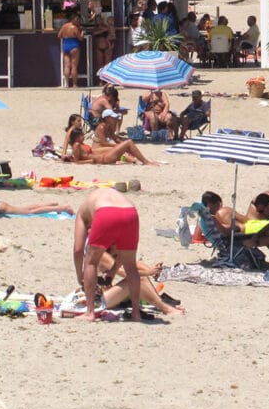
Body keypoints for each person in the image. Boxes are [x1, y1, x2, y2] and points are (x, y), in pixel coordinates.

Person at [74, 187, 143, 321]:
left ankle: (90, 313)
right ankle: (136, 313)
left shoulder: (83, 211)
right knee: (131, 266)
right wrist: (113, 271)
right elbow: (122, 253)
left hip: (105, 212)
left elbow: (78, 250)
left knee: (90, 262)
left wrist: (80, 276)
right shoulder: (111, 196)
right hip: (130, 212)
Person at [95, 247, 182, 317]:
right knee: (138, 279)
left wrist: (151, 270)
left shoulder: (113, 253)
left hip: (107, 298)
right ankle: (165, 308)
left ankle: (161, 302)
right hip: (97, 301)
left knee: (139, 278)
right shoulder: (102, 254)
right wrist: (149, 272)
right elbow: (123, 272)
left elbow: (134, 264)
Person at [67, 128, 158, 166]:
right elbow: (77, 161)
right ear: (77, 137)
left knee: (125, 146)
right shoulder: (76, 145)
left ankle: (140, 160)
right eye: (82, 135)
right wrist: (90, 161)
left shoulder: (81, 144)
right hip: (104, 159)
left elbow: (92, 151)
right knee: (129, 142)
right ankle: (145, 162)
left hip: (104, 156)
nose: (83, 136)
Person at [87, 0, 115, 74]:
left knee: (107, 63)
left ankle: (106, 80)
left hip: (107, 45)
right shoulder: (98, 27)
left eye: (99, 19)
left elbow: (112, 35)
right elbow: (94, 33)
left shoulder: (108, 25)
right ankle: (101, 80)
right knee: (100, 64)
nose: (98, 20)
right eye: (97, 19)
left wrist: (110, 43)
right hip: (100, 46)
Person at [57, 9, 82, 87]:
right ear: (73, 19)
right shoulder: (75, 27)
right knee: (74, 66)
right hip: (74, 45)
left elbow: (59, 36)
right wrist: (83, 32)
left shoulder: (64, 26)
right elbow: (80, 38)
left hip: (66, 44)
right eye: (77, 19)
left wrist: (66, 36)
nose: (78, 20)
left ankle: (67, 84)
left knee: (67, 65)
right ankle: (74, 84)